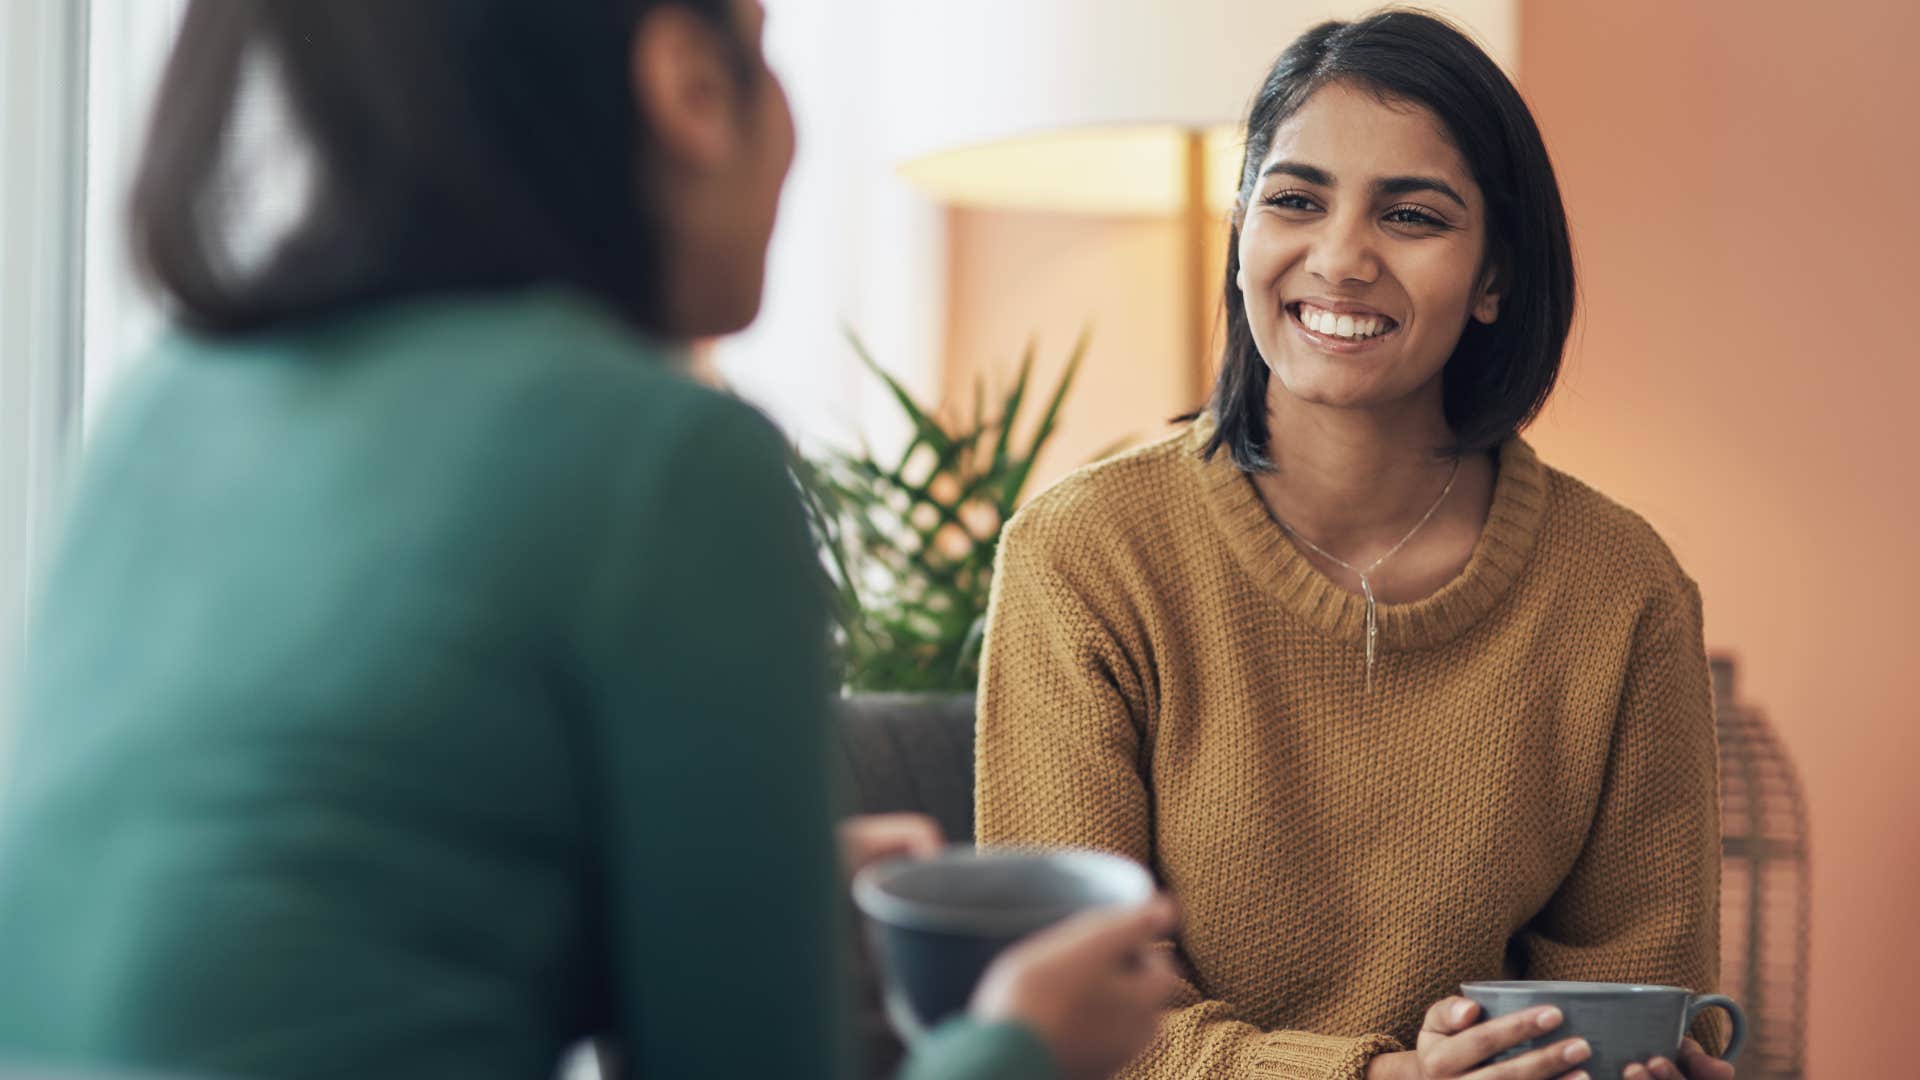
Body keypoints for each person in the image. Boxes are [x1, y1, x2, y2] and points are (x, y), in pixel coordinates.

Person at [0, 2, 1181, 1078]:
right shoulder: (668, 458)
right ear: (688, 85)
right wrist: (1023, 1043)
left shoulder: (169, 397)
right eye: (760, 48)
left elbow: (284, 936)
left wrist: (722, 903)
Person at [974, 11, 1734, 1080]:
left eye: (1413, 215)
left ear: (1495, 278)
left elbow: (1647, 989)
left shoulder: (1622, 590)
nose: (1339, 258)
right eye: (1293, 200)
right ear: (1241, 226)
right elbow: (1063, 1016)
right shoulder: (1084, 555)